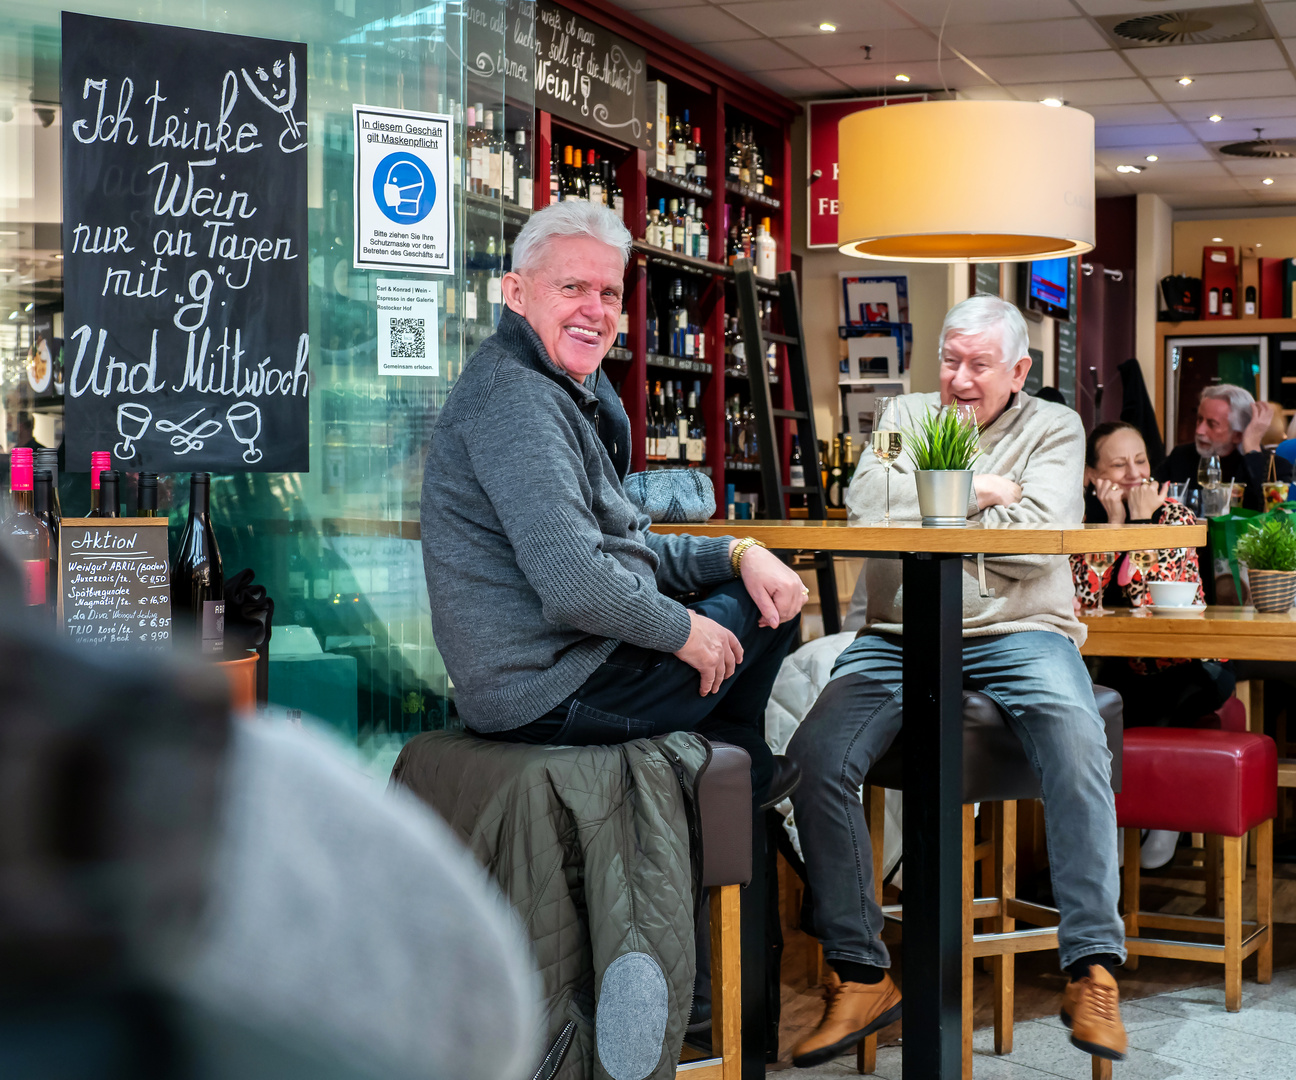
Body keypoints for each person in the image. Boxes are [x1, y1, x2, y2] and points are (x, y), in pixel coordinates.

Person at [787, 294, 1128, 1068]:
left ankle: (1092, 967)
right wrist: (979, 494)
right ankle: (861, 973)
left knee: (1076, 743)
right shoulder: (904, 414)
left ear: (1019, 369)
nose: (960, 379)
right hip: (898, 634)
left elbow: (1040, 545)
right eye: (951, 360)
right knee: (813, 760)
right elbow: (866, 510)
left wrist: (933, 513)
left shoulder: (1053, 426)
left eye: (980, 365)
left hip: (1020, 634)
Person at [420, 200, 806, 807]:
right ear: (516, 293)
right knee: (770, 610)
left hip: (564, 667)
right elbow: (577, 584)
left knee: (763, 582)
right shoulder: (520, 402)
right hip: (549, 690)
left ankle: (728, 768)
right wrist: (684, 631)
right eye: (571, 287)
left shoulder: (558, 387)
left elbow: (625, 542)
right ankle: (741, 774)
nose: (594, 311)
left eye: (609, 293)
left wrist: (737, 553)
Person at [1072, 421, 1231, 870]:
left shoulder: (1175, 517)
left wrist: (1140, 527)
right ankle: (1125, 822)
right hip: (1116, 667)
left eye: (1140, 460)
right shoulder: (1082, 522)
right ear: (1091, 474)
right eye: (1118, 464)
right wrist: (1118, 527)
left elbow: (1157, 609)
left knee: (1143, 700)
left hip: (1188, 664)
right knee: (1112, 699)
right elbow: (1082, 604)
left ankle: (1155, 819)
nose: (1134, 473)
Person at [1153, 384, 1291, 513]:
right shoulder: (1181, 457)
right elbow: (1153, 501)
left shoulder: (1276, 468)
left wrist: (1252, 449)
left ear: (1237, 434)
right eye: (1199, 419)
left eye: (1212, 424)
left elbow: (1271, 517)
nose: (1200, 431)